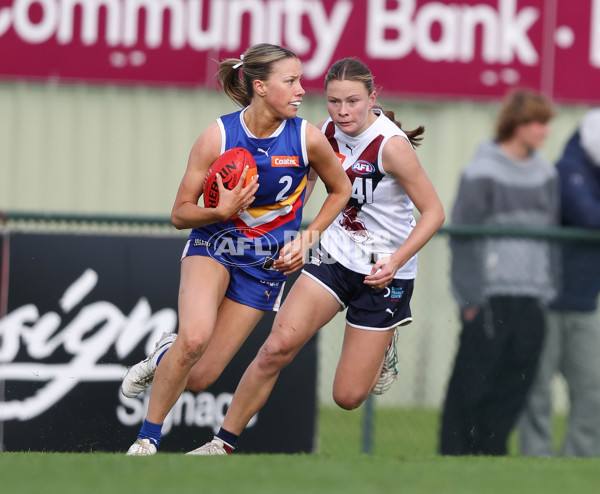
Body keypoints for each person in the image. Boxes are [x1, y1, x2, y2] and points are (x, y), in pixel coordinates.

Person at [186, 57, 445, 455]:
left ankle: (385, 342)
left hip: (385, 271)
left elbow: (434, 213)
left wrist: (394, 261)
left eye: (353, 102)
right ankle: (222, 444)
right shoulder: (322, 133)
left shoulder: (391, 146)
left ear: (372, 98)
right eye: (334, 101)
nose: (343, 112)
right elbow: (302, 192)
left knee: (347, 396)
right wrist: (294, 237)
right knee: (276, 348)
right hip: (335, 256)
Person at [123, 43, 351, 456]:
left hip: (266, 264)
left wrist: (310, 236)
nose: (302, 89)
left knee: (199, 378)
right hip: (215, 243)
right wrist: (220, 210)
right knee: (193, 340)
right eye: (292, 80)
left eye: (301, 79)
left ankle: (162, 354)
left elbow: (341, 188)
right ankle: (146, 440)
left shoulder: (307, 138)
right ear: (261, 87)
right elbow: (179, 214)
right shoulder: (219, 135)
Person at [439, 89, 559, 456]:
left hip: (532, 297)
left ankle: (491, 456)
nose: (543, 131)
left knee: (515, 383)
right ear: (515, 125)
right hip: (489, 297)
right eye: (535, 122)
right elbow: (463, 239)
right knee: (473, 382)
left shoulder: (547, 174)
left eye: (545, 123)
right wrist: (470, 297)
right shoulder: (481, 172)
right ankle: (456, 456)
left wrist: (550, 288)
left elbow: (553, 237)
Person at [518, 108, 600, 457]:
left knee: (593, 387)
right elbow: (588, 216)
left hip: (584, 302)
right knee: (538, 388)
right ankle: (537, 458)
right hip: (546, 301)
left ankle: (578, 458)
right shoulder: (568, 170)